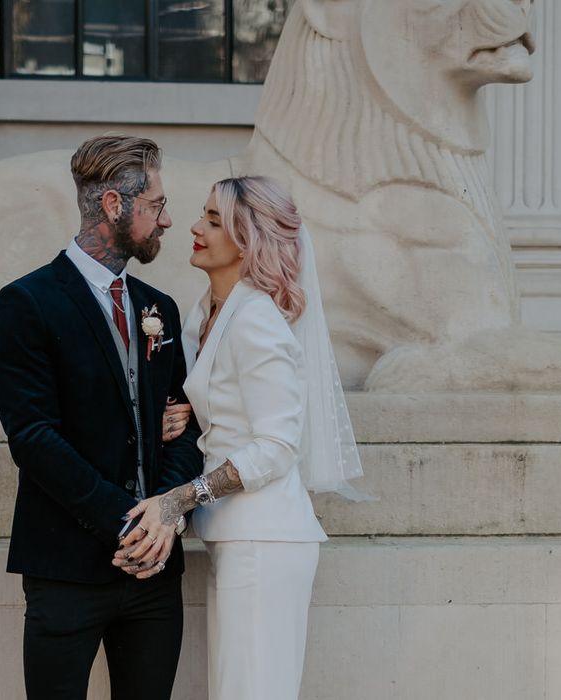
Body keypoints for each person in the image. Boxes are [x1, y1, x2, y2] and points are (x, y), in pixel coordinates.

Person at [114, 176, 366, 700]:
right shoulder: (206, 315)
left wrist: (180, 499)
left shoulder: (257, 322)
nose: (193, 227)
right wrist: (184, 416)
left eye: (212, 220)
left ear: (248, 238)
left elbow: (276, 447)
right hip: (236, 535)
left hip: (265, 540)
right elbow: (227, 412)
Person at [0, 134, 203, 700]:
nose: (167, 221)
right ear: (114, 205)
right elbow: (33, 438)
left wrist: (162, 514)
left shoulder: (162, 309)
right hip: (67, 570)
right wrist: (128, 520)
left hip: (155, 572)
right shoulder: (26, 303)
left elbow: (185, 422)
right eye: (156, 205)